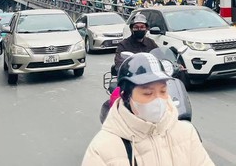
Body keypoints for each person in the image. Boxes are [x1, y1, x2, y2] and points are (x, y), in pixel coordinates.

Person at [83, 53, 214, 166]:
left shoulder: (186, 132)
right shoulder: (102, 149)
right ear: (126, 96)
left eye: (163, 91)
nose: (158, 100)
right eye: (147, 93)